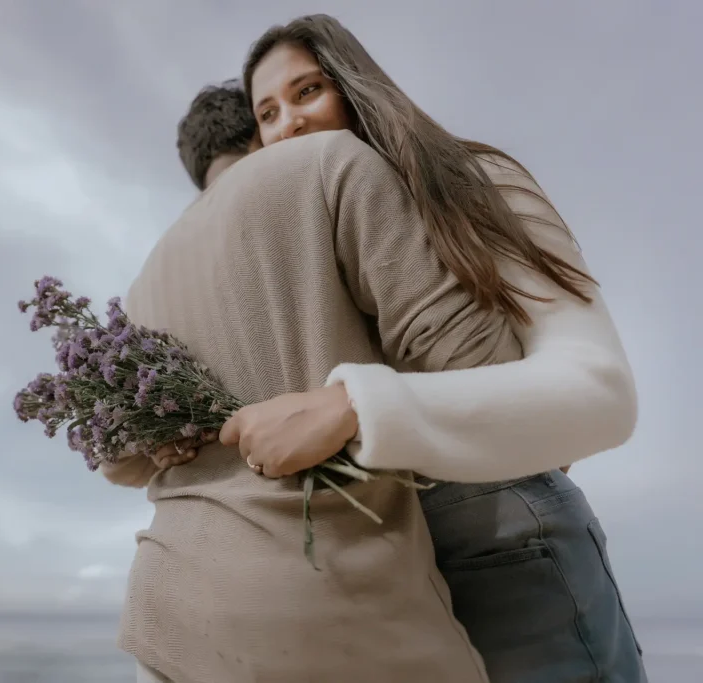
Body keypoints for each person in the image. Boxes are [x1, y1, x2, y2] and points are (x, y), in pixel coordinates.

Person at [216, 13, 643, 682]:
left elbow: (601, 392)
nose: (288, 123)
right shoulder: (293, 263)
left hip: (512, 549)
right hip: (384, 585)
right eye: (267, 114)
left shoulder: (471, 179)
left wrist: (354, 406)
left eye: (307, 91)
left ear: (355, 85)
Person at [106, 84, 522, 680]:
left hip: (166, 615)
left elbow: (117, 462)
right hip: (328, 609)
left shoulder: (144, 282)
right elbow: (483, 363)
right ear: (262, 126)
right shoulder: (327, 162)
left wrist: (166, 443)